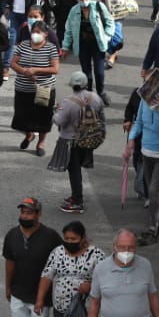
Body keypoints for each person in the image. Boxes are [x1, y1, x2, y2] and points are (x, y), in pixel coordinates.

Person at [84, 230, 159, 317]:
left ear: (136, 248)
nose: (126, 251)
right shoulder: (101, 268)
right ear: (114, 247)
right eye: (122, 247)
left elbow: (153, 297)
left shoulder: (145, 265)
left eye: (131, 247)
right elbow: (94, 304)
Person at [2, 197, 62, 317]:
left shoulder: (50, 236)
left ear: (38, 214)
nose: (25, 216)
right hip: (17, 294)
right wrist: (8, 287)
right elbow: (10, 262)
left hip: (40, 297)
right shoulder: (12, 235)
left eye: (29, 213)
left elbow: (63, 260)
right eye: (23, 212)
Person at [37, 221, 106, 317]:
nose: (69, 242)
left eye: (73, 239)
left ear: (82, 238)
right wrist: (40, 299)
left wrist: (91, 286)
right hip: (60, 309)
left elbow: (106, 280)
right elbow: (47, 275)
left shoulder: (96, 255)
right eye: (66, 238)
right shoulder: (58, 252)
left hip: (83, 311)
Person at [125, 77, 159, 245]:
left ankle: (151, 230)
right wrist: (131, 140)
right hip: (146, 152)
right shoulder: (144, 100)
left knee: (154, 191)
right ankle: (157, 223)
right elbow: (139, 122)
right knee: (150, 191)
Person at [49, 71, 105, 215]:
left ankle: (77, 201)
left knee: (74, 171)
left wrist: (55, 112)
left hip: (71, 141)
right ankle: (76, 196)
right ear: (86, 84)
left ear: (72, 86)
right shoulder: (96, 98)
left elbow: (59, 121)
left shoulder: (69, 102)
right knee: (79, 167)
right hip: (90, 138)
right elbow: (101, 117)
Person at [10, 19, 59, 157]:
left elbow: (55, 69)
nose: (35, 35)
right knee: (22, 116)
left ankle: (41, 143)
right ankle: (29, 135)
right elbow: (13, 63)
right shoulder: (23, 45)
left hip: (44, 88)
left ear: (45, 34)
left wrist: (36, 70)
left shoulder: (51, 48)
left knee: (43, 116)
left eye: (38, 32)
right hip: (23, 88)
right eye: (33, 32)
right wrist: (24, 71)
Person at [60, 0, 116, 105]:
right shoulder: (74, 11)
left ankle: (101, 92)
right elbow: (69, 30)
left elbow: (110, 22)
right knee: (87, 73)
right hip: (83, 45)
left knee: (99, 72)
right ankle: (89, 94)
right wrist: (65, 47)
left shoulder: (99, 7)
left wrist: (106, 37)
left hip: (98, 44)